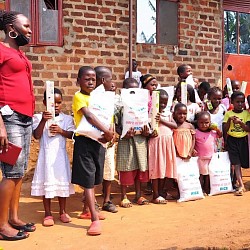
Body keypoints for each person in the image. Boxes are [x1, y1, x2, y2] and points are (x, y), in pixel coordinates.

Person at [0, 10, 35, 241]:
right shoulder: (1, 51)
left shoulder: (19, 54)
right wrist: (0, 125)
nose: (30, 31)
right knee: (11, 171)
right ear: (12, 29)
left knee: (20, 171)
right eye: (26, 26)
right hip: (9, 117)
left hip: (25, 117)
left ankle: (13, 217)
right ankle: (2, 226)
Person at [71, 66, 114, 236]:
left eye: (93, 79)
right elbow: (89, 116)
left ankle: (86, 210)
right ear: (78, 81)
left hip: (99, 142)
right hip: (84, 142)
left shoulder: (100, 99)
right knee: (88, 180)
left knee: (96, 177)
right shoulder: (78, 96)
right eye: (86, 79)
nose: (90, 82)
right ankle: (94, 219)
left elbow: (108, 116)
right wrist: (107, 130)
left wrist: (111, 133)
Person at [31, 88, 75, 226]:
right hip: (46, 156)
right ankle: (48, 213)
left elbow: (73, 135)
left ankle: (62, 211)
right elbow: (36, 135)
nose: (55, 105)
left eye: (59, 102)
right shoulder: (38, 118)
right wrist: (44, 121)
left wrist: (61, 131)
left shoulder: (66, 119)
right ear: (44, 102)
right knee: (46, 183)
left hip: (60, 156)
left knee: (62, 184)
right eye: (52, 102)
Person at [116, 78, 150, 208]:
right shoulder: (119, 106)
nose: (133, 93)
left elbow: (148, 123)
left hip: (140, 140)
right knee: (126, 167)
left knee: (140, 167)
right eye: (130, 90)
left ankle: (138, 194)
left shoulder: (143, 107)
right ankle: (124, 196)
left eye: (136, 90)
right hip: (126, 140)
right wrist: (123, 133)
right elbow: (117, 125)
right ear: (124, 91)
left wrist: (147, 132)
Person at [148, 89, 177, 204]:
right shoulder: (150, 113)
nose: (163, 105)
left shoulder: (168, 114)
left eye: (165, 102)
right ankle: (155, 194)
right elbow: (148, 127)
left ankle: (161, 192)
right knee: (156, 168)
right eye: (160, 102)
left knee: (164, 168)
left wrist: (162, 120)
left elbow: (174, 125)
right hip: (156, 143)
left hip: (167, 144)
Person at [223, 91, 250, 196]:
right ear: (232, 102)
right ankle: (241, 185)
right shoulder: (228, 113)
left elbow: (248, 128)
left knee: (245, 162)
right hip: (232, 140)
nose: (240, 104)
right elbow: (225, 129)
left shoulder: (246, 114)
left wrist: (240, 123)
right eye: (237, 102)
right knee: (236, 163)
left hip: (243, 141)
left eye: (242, 102)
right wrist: (230, 120)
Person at [193, 111, 222, 195]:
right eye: (201, 123)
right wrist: (193, 150)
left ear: (210, 122)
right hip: (201, 158)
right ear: (197, 122)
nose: (204, 125)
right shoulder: (196, 132)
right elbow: (194, 143)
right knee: (201, 175)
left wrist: (216, 128)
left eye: (206, 123)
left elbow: (220, 135)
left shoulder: (212, 132)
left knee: (209, 174)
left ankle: (207, 188)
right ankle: (200, 189)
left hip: (211, 158)